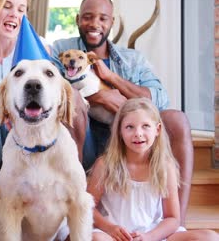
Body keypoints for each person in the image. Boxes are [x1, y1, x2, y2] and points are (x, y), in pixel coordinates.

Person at [51, 0, 193, 226]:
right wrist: (103, 97)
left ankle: (176, 223)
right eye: (87, 17)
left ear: (111, 23)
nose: (95, 24)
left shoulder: (132, 60)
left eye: (102, 18)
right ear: (77, 19)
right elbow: (52, 89)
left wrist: (112, 79)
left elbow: (159, 100)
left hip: (130, 144)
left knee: (177, 119)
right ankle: (72, 217)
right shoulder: (63, 50)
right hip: (82, 139)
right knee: (72, 98)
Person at [0, 0, 88, 223]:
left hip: (35, 130)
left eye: (21, 9)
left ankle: (72, 182)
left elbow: (55, 92)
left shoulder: (41, 49)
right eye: (7, 6)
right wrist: (12, 112)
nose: (13, 13)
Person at [87, 98, 218, 241]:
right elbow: (87, 207)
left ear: (158, 130)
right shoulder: (105, 165)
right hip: (114, 236)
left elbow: (173, 218)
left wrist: (149, 237)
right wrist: (110, 228)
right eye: (130, 127)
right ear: (119, 131)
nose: (138, 133)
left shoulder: (165, 166)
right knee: (96, 239)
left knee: (210, 237)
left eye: (145, 126)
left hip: (153, 234)